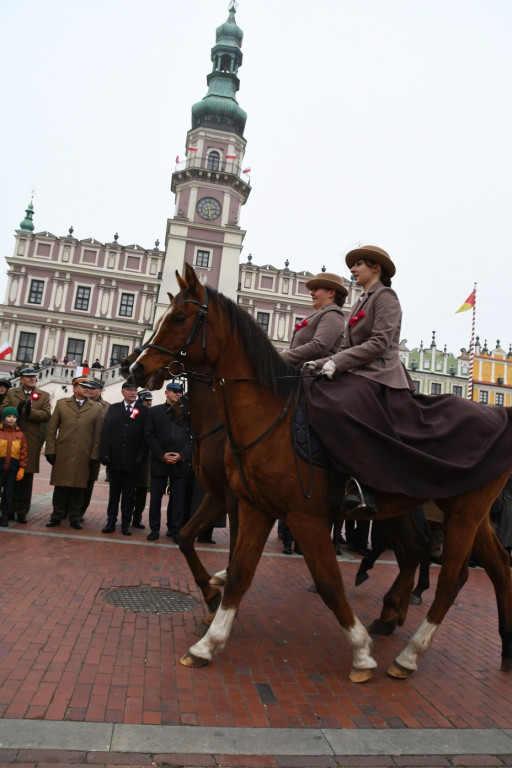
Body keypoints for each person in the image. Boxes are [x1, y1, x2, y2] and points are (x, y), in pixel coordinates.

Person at [305, 244, 512, 510]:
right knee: (317, 390)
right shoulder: (360, 301)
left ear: (376, 267)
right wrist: (318, 364)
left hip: (380, 374)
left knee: (340, 404)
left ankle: (363, 482)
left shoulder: (386, 297)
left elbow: (380, 342)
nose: (352, 269)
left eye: (358, 264)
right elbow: (346, 347)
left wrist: (337, 362)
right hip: (359, 370)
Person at [45, 377, 102, 529]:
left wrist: (94, 455)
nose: (87, 389)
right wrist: (50, 450)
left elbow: (98, 435)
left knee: (79, 487)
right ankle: (56, 515)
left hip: (83, 453)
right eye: (83, 386)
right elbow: (51, 429)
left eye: (88, 387)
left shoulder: (96, 408)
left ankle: (75, 517)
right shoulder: (62, 404)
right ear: (74, 388)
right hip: (63, 452)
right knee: (60, 486)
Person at [145, 381, 193, 542]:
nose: (177, 394)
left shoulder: (187, 413)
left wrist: (182, 455)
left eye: (179, 392)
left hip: (180, 463)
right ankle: (154, 529)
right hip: (160, 462)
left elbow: (192, 438)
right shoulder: (155, 411)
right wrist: (161, 455)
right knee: (155, 498)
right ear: (166, 393)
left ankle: (175, 529)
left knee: (178, 500)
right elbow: (149, 436)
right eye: (174, 392)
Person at [3, 366, 51, 523]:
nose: (32, 379)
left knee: (27, 477)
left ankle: (22, 511)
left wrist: (29, 412)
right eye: (28, 376)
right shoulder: (12, 393)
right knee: (10, 476)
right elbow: (3, 409)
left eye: (34, 376)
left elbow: (46, 414)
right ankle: (9, 509)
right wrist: (15, 411)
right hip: (10, 440)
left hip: (30, 441)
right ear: (21, 379)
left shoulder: (43, 395)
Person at [100, 382, 149, 535]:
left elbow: (145, 437)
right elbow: (106, 432)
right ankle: (111, 521)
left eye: (135, 390)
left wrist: (141, 456)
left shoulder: (143, 410)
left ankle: (126, 523)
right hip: (115, 459)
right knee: (114, 494)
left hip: (133, 461)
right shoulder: (114, 408)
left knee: (129, 495)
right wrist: (105, 454)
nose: (132, 393)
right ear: (123, 392)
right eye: (129, 390)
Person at [280, 271, 347, 366]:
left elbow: (318, 346)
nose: (311, 293)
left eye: (316, 289)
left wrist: (279, 357)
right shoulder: (320, 313)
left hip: (313, 376)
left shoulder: (333, 314)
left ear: (331, 293)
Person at [79, 380, 110, 522]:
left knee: (89, 482)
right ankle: (68, 509)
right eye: (88, 388)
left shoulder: (107, 407)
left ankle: (80, 511)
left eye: (93, 388)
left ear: (100, 391)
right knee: (74, 480)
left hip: (94, 450)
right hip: (80, 448)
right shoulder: (81, 403)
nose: (89, 391)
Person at [0, 406, 28, 527]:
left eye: (14, 417)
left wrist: (21, 468)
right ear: (4, 417)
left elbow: (23, 453)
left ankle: (5, 517)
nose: (11, 419)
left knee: (8, 494)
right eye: (9, 416)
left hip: (12, 469)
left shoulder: (20, 434)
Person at [132, 389, 153, 529]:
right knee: (129, 489)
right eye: (146, 402)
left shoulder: (154, 414)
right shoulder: (134, 413)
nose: (149, 404)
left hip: (147, 459)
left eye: (150, 402)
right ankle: (127, 515)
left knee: (142, 490)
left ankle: (137, 517)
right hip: (132, 456)